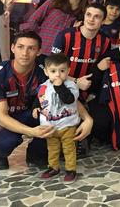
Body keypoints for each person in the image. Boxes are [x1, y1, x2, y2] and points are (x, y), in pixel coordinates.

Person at [0, 31, 93, 170]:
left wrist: (87, 119)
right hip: (9, 118)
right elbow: (0, 117)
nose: (25, 53)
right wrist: (31, 132)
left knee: (54, 124)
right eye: (20, 47)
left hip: (35, 114)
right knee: (5, 141)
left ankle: (36, 154)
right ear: (12, 48)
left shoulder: (44, 71)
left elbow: (65, 97)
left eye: (31, 48)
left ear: (39, 51)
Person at [51, 3, 112, 146]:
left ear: (103, 21)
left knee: (103, 123)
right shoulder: (65, 36)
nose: (91, 19)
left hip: (87, 90)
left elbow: (101, 70)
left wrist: (94, 92)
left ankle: (85, 137)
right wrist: (75, 81)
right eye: (88, 15)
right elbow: (51, 70)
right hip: (62, 87)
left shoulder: (105, 41)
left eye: (97, 17)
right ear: (84, 16)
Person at [32, 53, 80, 182]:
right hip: (49, 125)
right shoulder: (44, 86)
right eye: (53, 71)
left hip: (67, 124)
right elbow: (40, 98)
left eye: (62, 71)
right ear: (46, 72)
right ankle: (53, 167)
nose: (58, 75)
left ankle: (71, 169)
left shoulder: (71, 85)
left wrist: (59, 86)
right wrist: (36, 107)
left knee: (69, 149)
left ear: (68, 71)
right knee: (52, 149)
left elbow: (69, 99)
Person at [20, 0, 88, 56]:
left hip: (63, 54)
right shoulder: (54, 2)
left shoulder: (85, 12)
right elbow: (33, 20)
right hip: (43, 48)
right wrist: (39, 34)